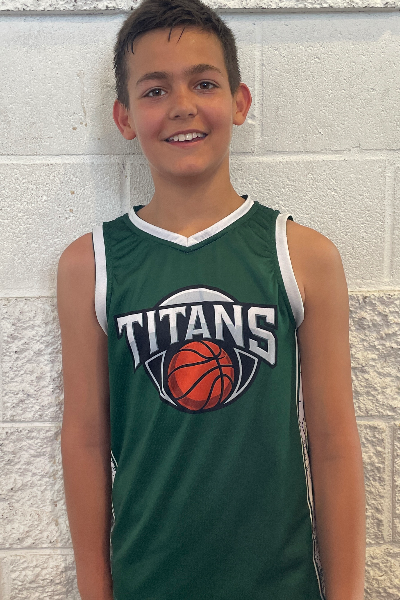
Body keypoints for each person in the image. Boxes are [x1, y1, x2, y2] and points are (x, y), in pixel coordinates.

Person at [57, 0, 366, 598]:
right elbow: (87, 442)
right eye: (155, 90)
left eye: (203, 83)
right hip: (148, 582)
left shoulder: (302, 255)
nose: (182, 105)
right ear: (124, 117)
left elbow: (332, 443)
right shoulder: (89, 264)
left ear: (240, 102)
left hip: (280, 585)